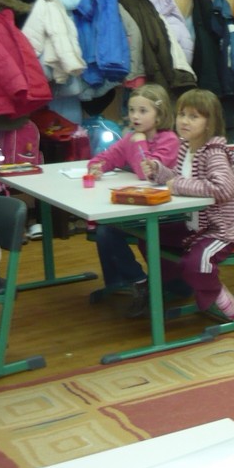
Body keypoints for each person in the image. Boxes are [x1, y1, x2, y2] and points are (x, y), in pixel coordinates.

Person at [138, 89, 234, 320]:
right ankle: (177, 285)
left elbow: (223, 188)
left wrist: (178, 184)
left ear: (209, 123)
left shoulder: (214, 152)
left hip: (221, 230)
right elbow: (179, 178)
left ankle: (229, 306)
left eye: (193, 116)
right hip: (195, 227)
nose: (184, 121)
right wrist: (159, 171)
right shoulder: (186, 147)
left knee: (199, 263)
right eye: (182, 115)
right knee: (149, 237)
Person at [87, 83, 180, 310]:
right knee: (105, 230)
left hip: (165, 211)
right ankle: (134, 280)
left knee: (108, 231)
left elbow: (146, 172)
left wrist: (139, 142)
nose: (135, 116)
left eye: (142, 111)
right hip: (139, 206)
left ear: (159, 115)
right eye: (131, 110)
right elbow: (107, 157)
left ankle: (139, 282)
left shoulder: (169, 140)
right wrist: (97, 167)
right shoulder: (130, 138)